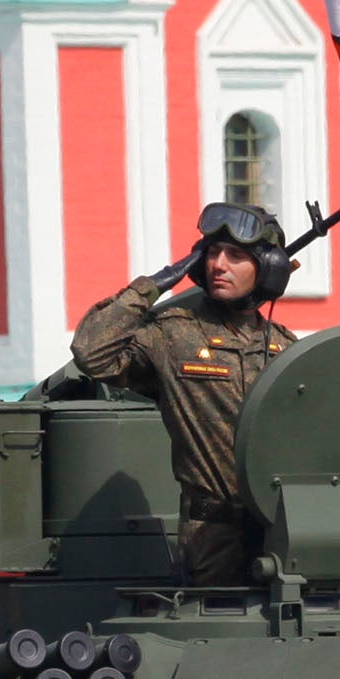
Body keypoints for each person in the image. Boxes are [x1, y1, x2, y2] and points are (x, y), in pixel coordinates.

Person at [71, 202, 294, 587]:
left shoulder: (285, 348)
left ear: (269, 270)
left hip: (283, 531)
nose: (218, 265)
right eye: (210, 253)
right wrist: (155, 284)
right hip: (212, 537)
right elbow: (92, 352)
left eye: (236, 256)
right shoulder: (173, 335)